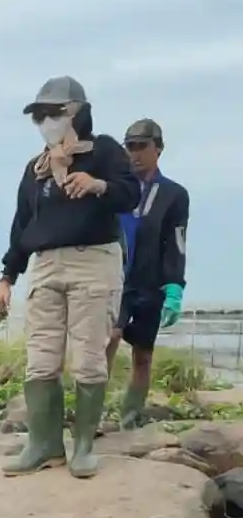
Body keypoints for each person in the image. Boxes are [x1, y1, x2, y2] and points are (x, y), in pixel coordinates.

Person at [0, 76, 140, 478]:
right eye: (39, 115)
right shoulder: (36, 168)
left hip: (93, 260)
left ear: (77, 111)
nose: (46, 121)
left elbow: (130, 195)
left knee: (89, 358)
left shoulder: (105, 150)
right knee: (40, 359)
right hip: (45, 264)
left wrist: (98, 185)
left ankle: (83, 447)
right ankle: (43, 444)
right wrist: (8, 276)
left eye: (54, 113)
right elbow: (22, 223)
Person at [107, 118, 189, 429]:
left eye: (142, 146)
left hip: (150, 282)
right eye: (130, 146)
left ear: (158, 149)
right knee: (107, 341)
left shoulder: (174, 195)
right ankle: (92, 418)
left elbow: (176, 242)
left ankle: (130, 418)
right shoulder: (116, 188)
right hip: (116, 280)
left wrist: (174, 287)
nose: (135, 154)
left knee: (142, 355)